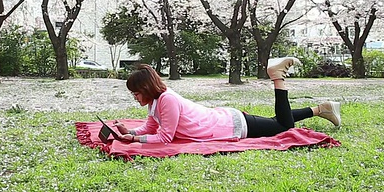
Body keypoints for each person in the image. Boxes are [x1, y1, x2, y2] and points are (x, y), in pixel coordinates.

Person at [113, 57, 341, 143]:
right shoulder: (155, 103)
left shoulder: (167, 100)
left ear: (146, 88)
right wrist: (131, 132)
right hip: (226, 118)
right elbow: (151, 127)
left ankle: (277, 78)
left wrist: (135, 141)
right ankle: (321, 108)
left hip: (230, 125)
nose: (135, 97)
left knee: (283, 126)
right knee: (275, 121)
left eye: (136, 92)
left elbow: (164, 137)